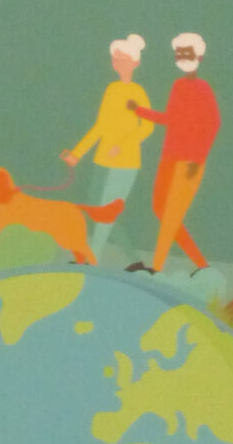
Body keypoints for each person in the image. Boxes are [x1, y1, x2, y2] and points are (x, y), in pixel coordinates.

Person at [127, 31, 221, 276]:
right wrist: (139, 111)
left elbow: (213, 124)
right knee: (160, 209)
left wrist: (197, 159)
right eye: (179, 54)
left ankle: (157, 268)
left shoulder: (204, 89)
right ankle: (202, 264)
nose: (182, 57)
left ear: (199, 57)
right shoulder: (178, 85)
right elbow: (171, 119)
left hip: (189, 162)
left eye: (187, 53)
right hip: (169, 157)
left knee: (171, 216)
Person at [61, 34, 155, 256]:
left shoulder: (138, 92)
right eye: (116, 58)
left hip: (125, 163)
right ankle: (132, 258)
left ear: (135, 62)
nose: (118, 62)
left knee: (106, 212)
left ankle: (94, 255)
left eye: (124, 59)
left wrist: (122, 145)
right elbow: (100, 126)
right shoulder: (112, 89)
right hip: (102, 159)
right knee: (96, 207)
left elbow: (148, 126)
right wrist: (77, 154)